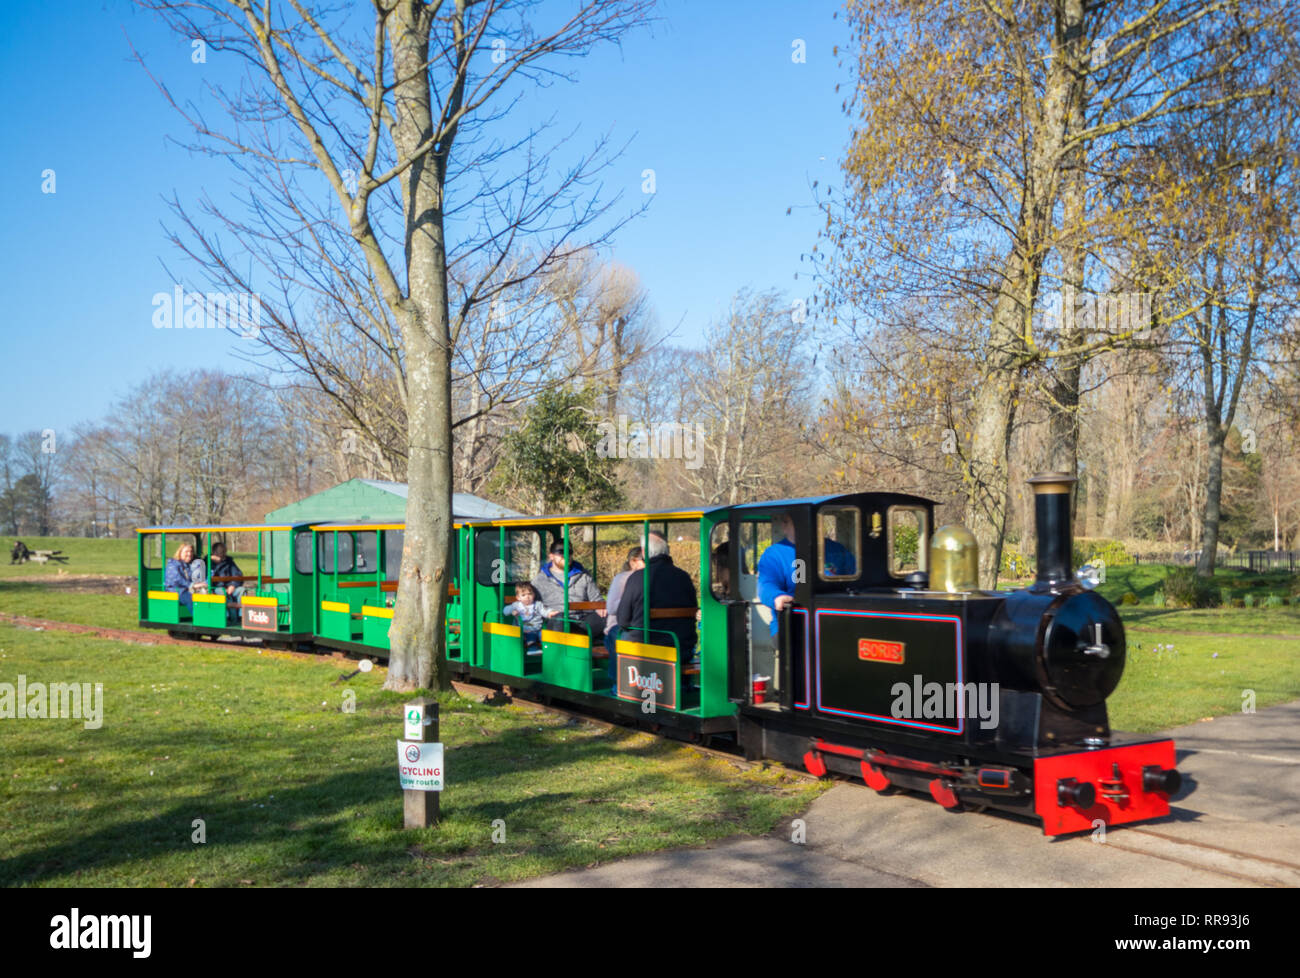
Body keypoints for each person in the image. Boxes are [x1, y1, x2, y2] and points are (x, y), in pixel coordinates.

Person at [758, 512, 858, 637]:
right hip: (792, 624)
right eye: (799, 522)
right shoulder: (774, 554)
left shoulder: (836, 549)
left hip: (836, 621)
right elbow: (766, 585)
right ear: (784, 526)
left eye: (812, 521)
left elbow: (856, 574)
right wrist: (777, 597)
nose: (807, 526)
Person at [616, 532, 697, 660]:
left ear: (643, 552)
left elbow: (623, 620)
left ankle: (616, 679)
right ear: (667, 551)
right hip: (681, 649)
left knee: (616, 636)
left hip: (645, 649)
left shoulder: (637, 578)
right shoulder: (684, 577)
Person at [531, 541, 605, 640]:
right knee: (560, 619)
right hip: (557, 622)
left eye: (569, 552)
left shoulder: (583, 575)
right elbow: (532, 605)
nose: (566, 555)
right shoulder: (540, 580)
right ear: (551, 556)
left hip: (583, 621)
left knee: (610, 617)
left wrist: (601, 607)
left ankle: (617, 652)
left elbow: (596, 599)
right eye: (561, 552)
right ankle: (561, 652)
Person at [602, 547, 644, 683]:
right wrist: (631, 598)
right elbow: (611, 608)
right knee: (619, 635)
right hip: (618, 626)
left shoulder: (651, 578)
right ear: (633, 562)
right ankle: (617, 681)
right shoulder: (621, 578)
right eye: (645, 560)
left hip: (642, 626)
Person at [502, 583, 558, 650]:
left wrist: (550, 613)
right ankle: (533, 650)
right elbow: (505, 611)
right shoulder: (516, 605)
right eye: (523, 595)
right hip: (523, 631)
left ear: (533, 595)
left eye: (530, 594)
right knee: (531, 638)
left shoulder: (537, 605)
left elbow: (544, 611)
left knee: (545, 637)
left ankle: (548, 650)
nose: (527, 597)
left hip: (537, 629)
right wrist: (512, 611)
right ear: (518, 597)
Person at [210, 542, 246, 625]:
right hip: (215, 588)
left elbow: (238, 575)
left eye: (224, 551)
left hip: (229, 587)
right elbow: (208, 578)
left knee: (242, 590)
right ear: (214, 552)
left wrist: (233, 585)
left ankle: (241, 616)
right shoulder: (207, 562)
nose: (224, 554)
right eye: (222, 552)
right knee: (221, 592)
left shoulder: (229, 561)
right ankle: (227, 617)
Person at [164, 543, 201, 613]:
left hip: (191, 589)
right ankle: (199, 618)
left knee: (207, 595)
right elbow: (176, 579)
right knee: (191, 598)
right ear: (180, 552)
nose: (189, 554)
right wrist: (192, 585)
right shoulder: (172, 564)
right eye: (186, 552)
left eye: (191, 551)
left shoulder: (193, 564)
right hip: (176, 590)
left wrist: (203, 583)